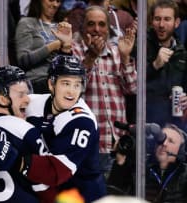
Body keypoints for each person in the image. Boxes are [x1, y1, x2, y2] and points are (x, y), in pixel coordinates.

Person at [0, 65, 82, 203]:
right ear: (3, 99)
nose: (28, 99)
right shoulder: (23, 128)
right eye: (21, 95)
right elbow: (45, 183)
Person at [26, 54, 106, 202]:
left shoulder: (82, 122)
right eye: (66, 83)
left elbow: (57, 171)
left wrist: (20, 162)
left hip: (83, 195)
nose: (72, 91)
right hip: (54, 193)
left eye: (77, 85)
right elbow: (8, 104)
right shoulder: (34, 103)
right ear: (51, 84)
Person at [71, 5, 137, 175]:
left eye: (102, 24)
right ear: (83, 27)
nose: (96, 29)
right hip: (89, 145)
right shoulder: (73, 51)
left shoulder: (117, 52)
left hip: (118, 145)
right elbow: (74, 91)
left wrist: (125, 58)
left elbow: (133, 88)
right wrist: (90, 58)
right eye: (91, 24)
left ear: (108, 29)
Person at [108, 123, 187, 202]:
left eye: (171, 141)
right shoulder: (139, 167)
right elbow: (114, 195)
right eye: (161, 138)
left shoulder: (185, 174)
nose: (164, 143)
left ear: (181, 150)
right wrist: (120, 163)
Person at [15, 0, 73, 93]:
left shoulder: (62, 26)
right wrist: (52, 46)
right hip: (37, 82)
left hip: (60, 82)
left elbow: (66, 63)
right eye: (50, 0)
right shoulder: (27, 23)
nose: (55, 4)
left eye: (58, 1)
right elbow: (23, 60)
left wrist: (66, 46)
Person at [146, 0, 187, 131]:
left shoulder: (182, 52)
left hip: (174, 126)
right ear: (152, 21)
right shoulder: (140, 46)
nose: (161, 25)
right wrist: (154, 66)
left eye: (167, 19)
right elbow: (131, 85)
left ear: (177, 23)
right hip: (146, 123)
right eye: (157, 19)